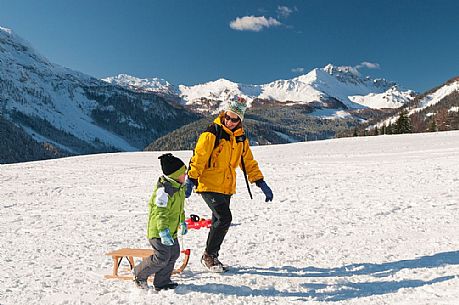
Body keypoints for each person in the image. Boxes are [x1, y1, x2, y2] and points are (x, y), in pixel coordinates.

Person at [185, 96, 273, 273]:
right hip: (208, 184)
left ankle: (211, 255)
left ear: (240, 121)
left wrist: (260, 181)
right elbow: (199, 157)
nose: (230, 121)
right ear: (224, 114)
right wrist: (191, 179)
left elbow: (247, 162)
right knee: (225, 218)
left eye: (235, 119)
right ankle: (208, 256)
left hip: (226, 186)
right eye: (228, 117)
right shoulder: (212, 133)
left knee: (218, 220)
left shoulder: (240, 138)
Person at [133, 153, 188, 290]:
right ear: (175, 175)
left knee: (174, 254)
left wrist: (182, 222)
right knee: (162, 257)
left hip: (172, 230)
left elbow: (179, 209)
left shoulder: (178, 188)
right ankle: (139, 274)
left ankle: (162, 282)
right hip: (159, 231)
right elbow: (160, 213)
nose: (185, 176)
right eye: (183, 173)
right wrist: (163, 231)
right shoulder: (164, 191)